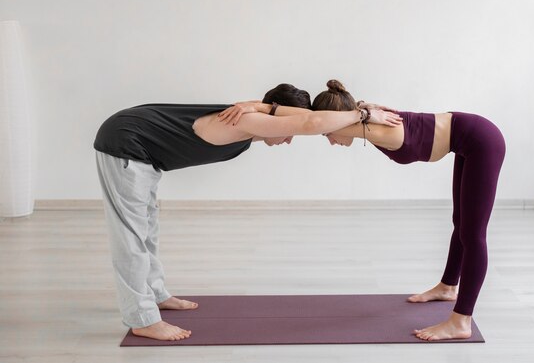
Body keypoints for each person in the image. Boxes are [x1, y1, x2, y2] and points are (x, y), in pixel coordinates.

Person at [93, 83, 402, 341]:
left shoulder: (250, 115)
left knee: (148, 228)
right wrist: (363, 113)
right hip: (125, 142)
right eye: (286, 129)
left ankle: (156, 294)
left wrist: (263, 106)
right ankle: (142, 318)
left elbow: (301, 118)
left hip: (144, 152)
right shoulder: (245, 121)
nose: (289, 138)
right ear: (274, 115)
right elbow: (309, 123)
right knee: (131, 236)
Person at [306, 79, 506, 341]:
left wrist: (269, 112)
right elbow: (322, 120)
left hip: (483, 141)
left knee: (473, 235)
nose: (330, 140)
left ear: (342, 121)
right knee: (461, 223)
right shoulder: (369, 119)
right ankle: (448, 287)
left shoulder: (370, 126)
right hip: (467, 139)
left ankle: (461, 321)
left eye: (328, 134)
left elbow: (313, 122)